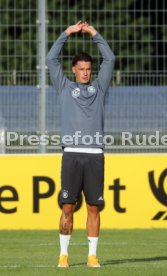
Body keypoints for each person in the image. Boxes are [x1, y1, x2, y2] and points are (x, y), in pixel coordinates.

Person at [46, 21, 115, 268]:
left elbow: (110, 58)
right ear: (74, 70)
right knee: (67, 207)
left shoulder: (99, 87)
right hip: (72, 154)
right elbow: (51, 59)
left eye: (88, 69)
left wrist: (94, 33)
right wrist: (67, 33)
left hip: (95, 154)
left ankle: (92, 256)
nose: (85, 72)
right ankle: (63, 255)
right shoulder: (65, 87)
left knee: (94, 208)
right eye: (81, 68)